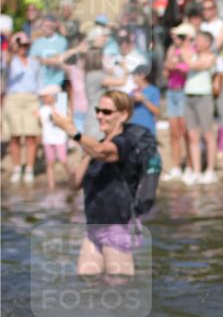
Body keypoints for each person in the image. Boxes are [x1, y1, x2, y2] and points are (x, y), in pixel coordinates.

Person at [50, 91, 146, 276]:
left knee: (119, 288)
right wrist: (85, 153)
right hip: (94, 227)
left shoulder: (128, 142)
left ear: (124, 115)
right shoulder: (95, 146)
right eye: (98, 110)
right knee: (86, 284)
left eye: (107, 112)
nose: (100, 115)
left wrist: (73, 131)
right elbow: (74, 184)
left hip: (119, 226)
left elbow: (104, 152)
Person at [5, 32, 42, 184]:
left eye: (26, 45)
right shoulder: (9, 59)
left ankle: (29, 169)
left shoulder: (34, 62)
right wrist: (13, 47)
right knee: (15, 136)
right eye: (21, 45)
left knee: (31, 135)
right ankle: (16, 168)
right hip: (14, 98)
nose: (23, 47)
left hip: (32, 99)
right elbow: (6, 59)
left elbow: (39, 82)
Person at [183, 31, 218, 185]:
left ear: (208, 43)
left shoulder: (211, 57)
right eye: (195, 40)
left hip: (204, 96)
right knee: (192, 135)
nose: (196, 43)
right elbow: (188, 62)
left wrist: (186, 51)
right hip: (189, 95)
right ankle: (196, 171)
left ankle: (210, 170)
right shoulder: (193, 55)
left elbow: (192, 65)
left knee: (208, 134)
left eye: (199, 40)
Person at [163, 24, 193, 180]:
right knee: (173, 131)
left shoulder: (190, 51)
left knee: (185, 131)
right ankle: (175, 166)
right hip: (172, 90)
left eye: (179, 37)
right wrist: (172, 65)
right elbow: (167, 68)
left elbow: (187, 68)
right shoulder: (172, 49)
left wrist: (175, 64)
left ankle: (189, 165)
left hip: (184, 91)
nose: (175, 39)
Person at [38, 84, 69, 190]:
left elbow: (65, 120)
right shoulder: (42, 109)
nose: (44, 99)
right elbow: (41, 124)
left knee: (63, 161)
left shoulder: (61, 106)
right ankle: (51, 186)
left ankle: (72, 180)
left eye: (46, 96)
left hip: (60, 139)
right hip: (48, 139)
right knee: (49, 163)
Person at [129, 65, 160, 135]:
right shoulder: (133, 91)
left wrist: (144, 100)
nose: (133, 78)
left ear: (142, 76)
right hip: (132, 129)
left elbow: (157, 111)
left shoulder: (153, 90)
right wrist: (133, 99)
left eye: (134, 75)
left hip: (147, 129)